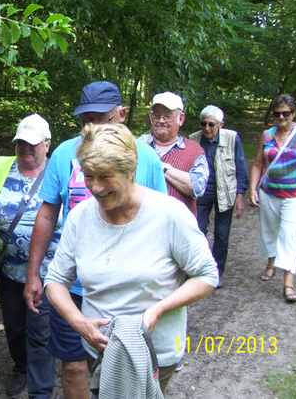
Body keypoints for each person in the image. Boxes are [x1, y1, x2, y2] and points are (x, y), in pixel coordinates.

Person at [44, 124, 218, 396]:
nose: (96, 188)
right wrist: (79, 323)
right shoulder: (81, 217)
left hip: (155, 353)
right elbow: (55, 280)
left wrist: (158, 309)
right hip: (98, 349)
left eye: (105, 177)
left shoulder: (170, 214)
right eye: (89, 177)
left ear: (131, 171)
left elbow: (207, 275)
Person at [24, 81, 167, 399]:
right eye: (87, 119)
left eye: (102, 118)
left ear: (122, 115)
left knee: (127, 367)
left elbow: (161, 220)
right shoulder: (64, 153)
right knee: (73, 366)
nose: (94, 126)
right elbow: (46, 215)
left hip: (129, 285)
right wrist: (34, 274)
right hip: (72, 286)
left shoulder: (146, 158)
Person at [0, 114, 59, 398]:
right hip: (8, 269)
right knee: (15, 327)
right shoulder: (0, 168)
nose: (25, 148)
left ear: (46, 145)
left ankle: (40, 384)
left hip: (47, 271)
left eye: (32, 143)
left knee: (40, 330)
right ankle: (21, 368)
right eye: (20, 142)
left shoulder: (60, 172)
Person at [248, 94, 296, 303]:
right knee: (270, 232)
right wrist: (253, 189)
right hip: (269, 193)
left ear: (293, 114)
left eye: (286, 113)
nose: (281, 117)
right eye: (277, 113)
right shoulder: (267, 135)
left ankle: (288, 282)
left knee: (289, 236)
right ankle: (271, 264)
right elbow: (257, 164)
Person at [189, 105, 250, 288]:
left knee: (222, 235)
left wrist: (240, 195)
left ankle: (217, 272)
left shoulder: (232, 138)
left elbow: (240, 167)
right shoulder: (194, 139)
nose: (206, 128)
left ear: (220, 124)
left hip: (225, 191)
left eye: (211, 124)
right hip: (202, 192)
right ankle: (199, 269)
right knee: (198, 230)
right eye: (203, 124)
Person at [140, 92, 209, 217]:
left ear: (180, 119)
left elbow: (197, 187)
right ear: (151, 117)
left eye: (168, 116)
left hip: (178, 229)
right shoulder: (138, 147)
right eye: (157, 116)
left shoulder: (194, 150)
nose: (161, 121)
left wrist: (160, 166)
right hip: (141, 226)